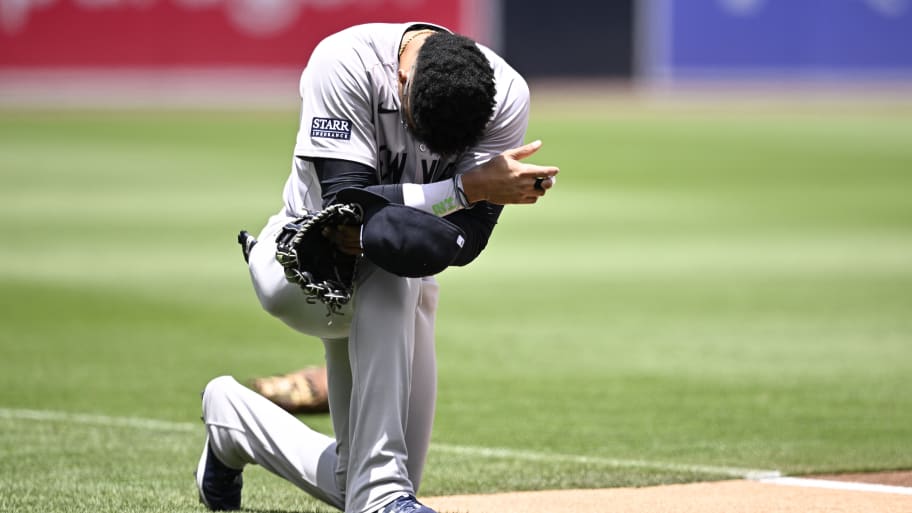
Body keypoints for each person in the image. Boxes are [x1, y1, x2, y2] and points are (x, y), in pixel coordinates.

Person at [195, 22, 558, 513]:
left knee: (360, 482)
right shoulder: (345, 62)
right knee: (388, 251)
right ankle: (382, 494)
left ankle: (232, 421)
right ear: (402, 81)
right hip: (303, 264)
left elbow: (465, 241)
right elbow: (346, 206)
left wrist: (419, 216)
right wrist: (465, 189)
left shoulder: (506, 93)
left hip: (399, 285)